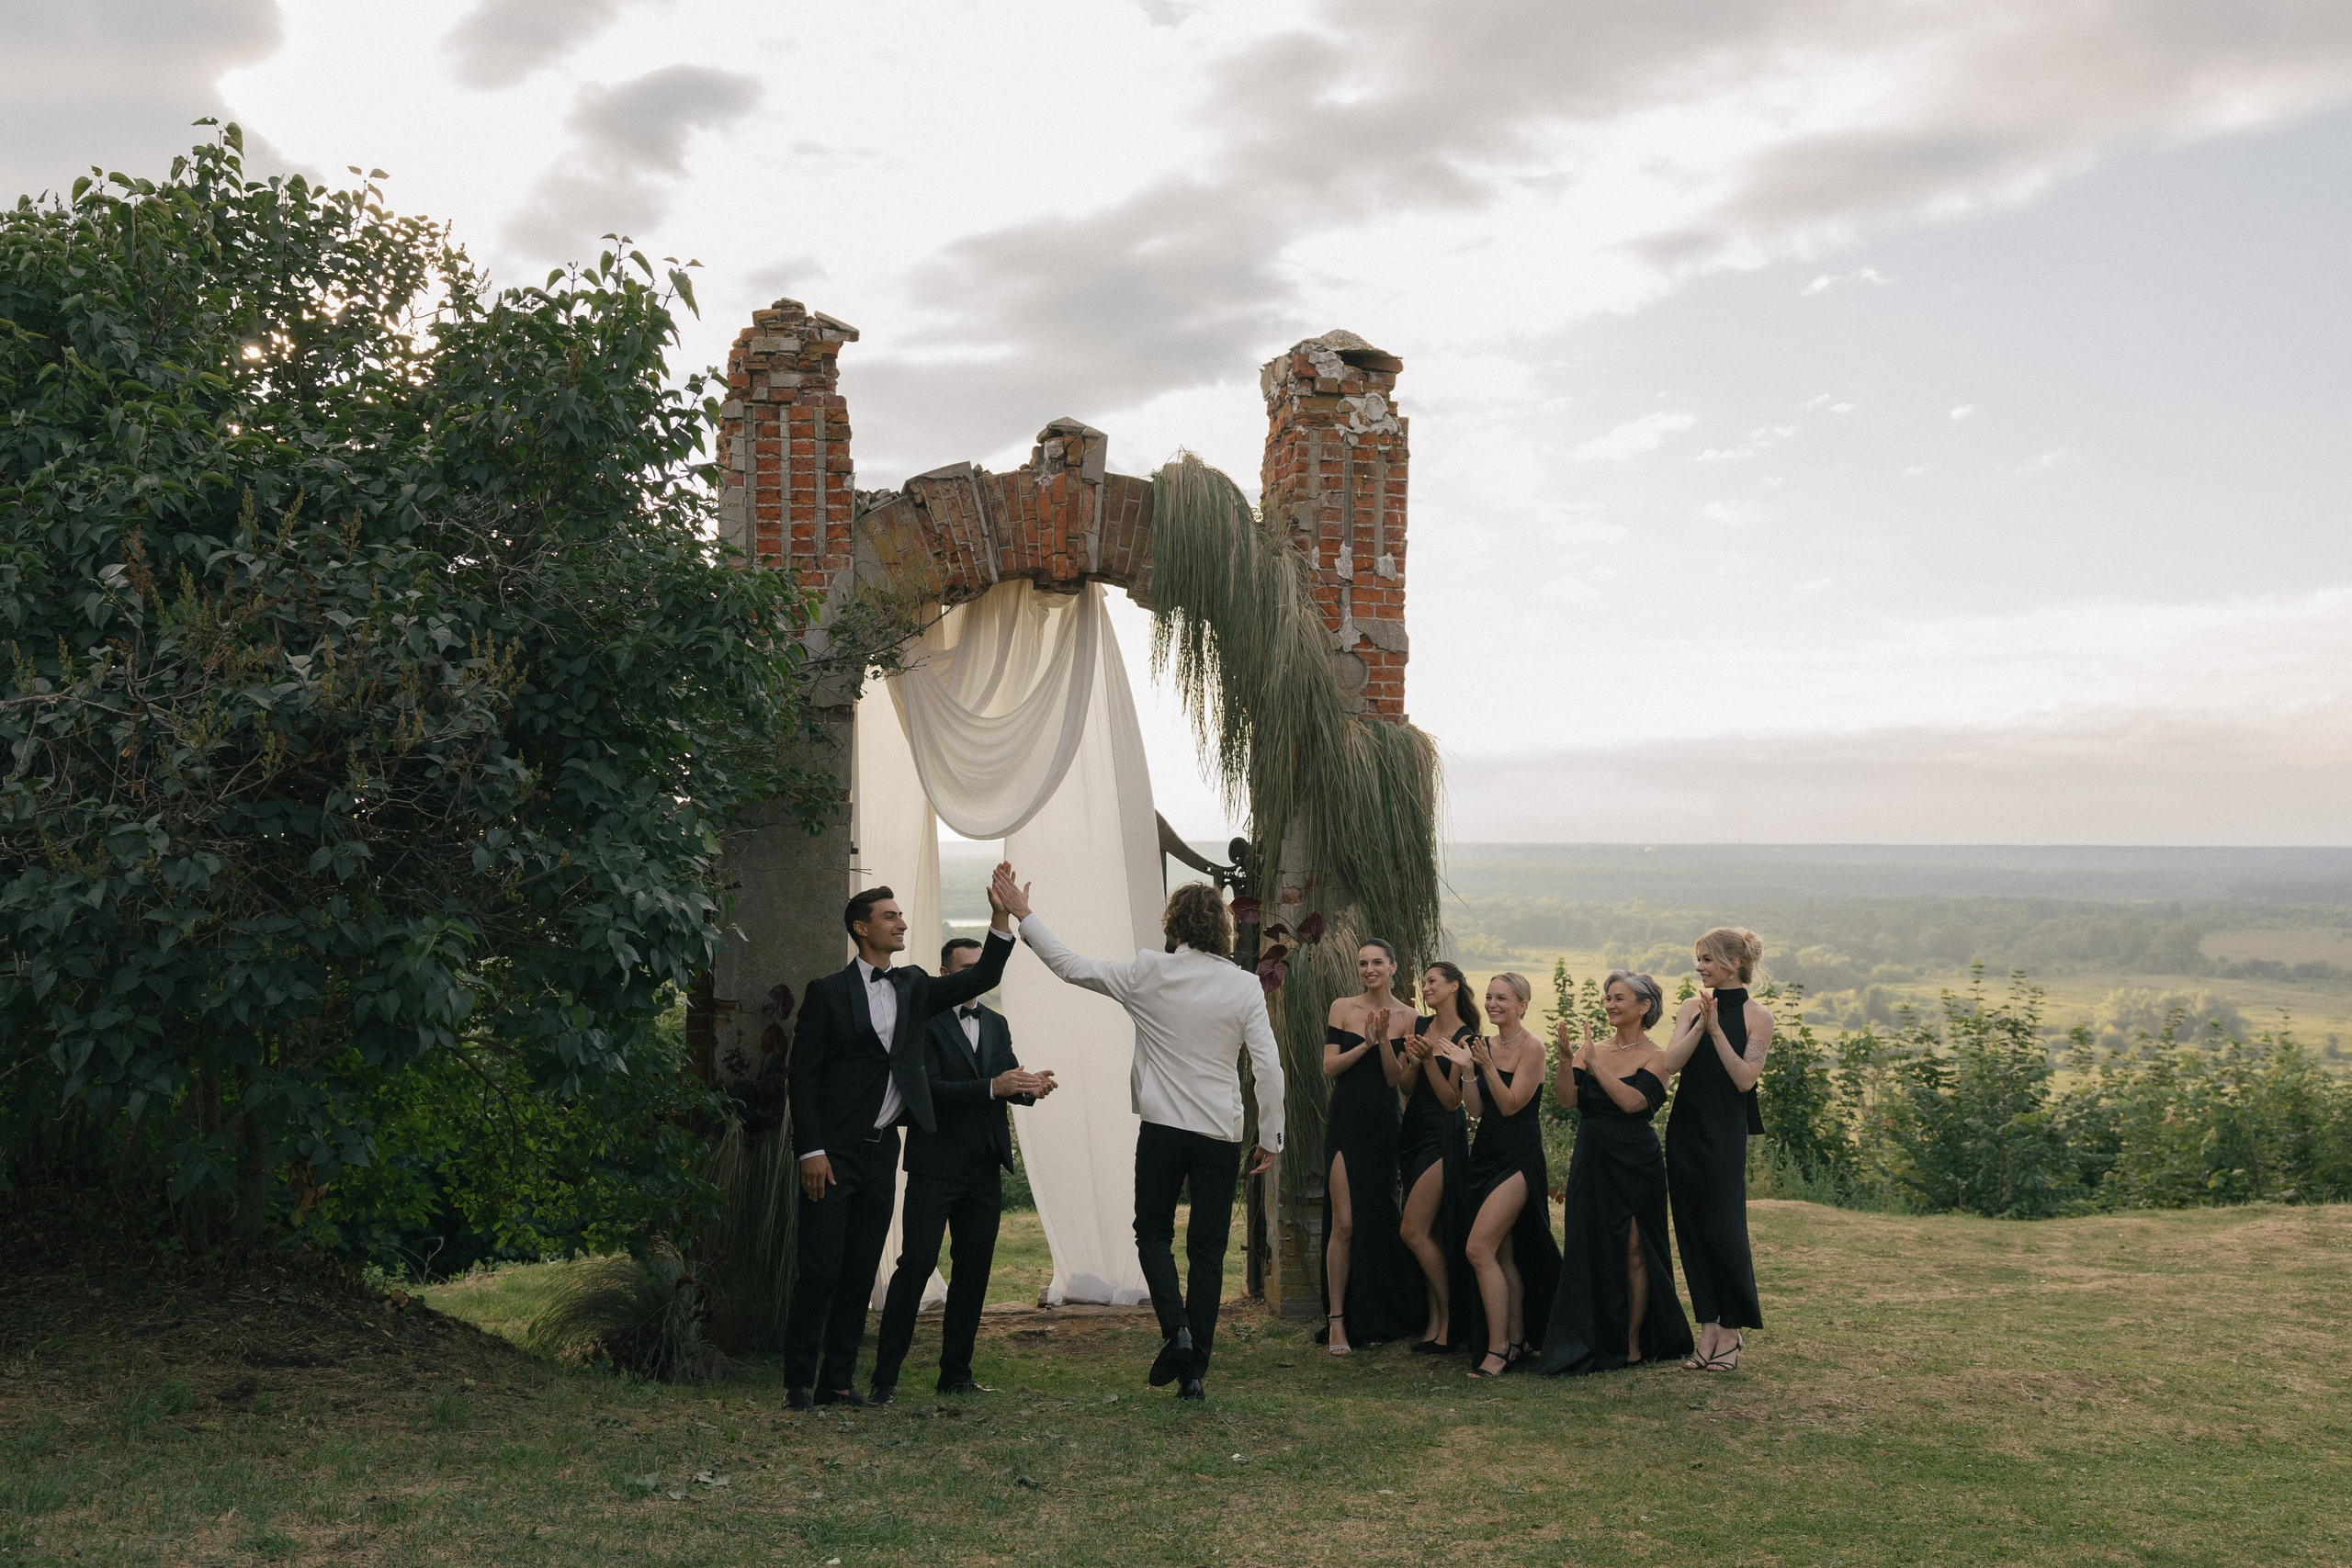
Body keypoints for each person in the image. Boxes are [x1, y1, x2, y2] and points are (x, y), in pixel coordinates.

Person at [990, 867, 1283, 1403]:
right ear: (1223, 930)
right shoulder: (1244, 985)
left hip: (1163, 1130)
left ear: (1173, 925)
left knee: (1151, 1234)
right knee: (1209, 1253)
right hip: (1220, 1132)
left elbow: (1070, 966)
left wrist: (1023, 915)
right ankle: (1194, 1374)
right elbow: (1268, 1066)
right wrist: (1272, 1135)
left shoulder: (1148, 972)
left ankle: (1177, 1331)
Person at [781, 876, 1017, 1411]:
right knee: (820, 1269)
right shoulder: (826, 992)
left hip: (882, 1151)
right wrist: (810, 1150)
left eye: (901, 916)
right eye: (890, 916)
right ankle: (797, 1383)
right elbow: (804, 1076)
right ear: (862, 929)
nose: (902, 923)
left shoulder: (914, 986)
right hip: (832, 1153)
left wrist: (1000, 919)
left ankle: (838, 1384)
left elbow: (983, 972)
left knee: (862, 1267)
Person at [869, 936, 1059, 1404]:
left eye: (981, 967)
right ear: (944, 973)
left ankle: (955, 1373)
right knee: (915, 1266)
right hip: (934, 1166)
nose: (975, 976)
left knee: (973, 1273)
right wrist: (993, 1087)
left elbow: (1000, 1081)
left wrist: (1027, 1087)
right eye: (966, 968)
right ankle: (883, 1380)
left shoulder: (996, 1023)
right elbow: (929, 1091)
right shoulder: (924, 1020)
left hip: (983, 1169)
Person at [1538, 971, 1692, 1376]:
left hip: (1635, 1161)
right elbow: (1568, 1100)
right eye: (1607, 998)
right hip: (1592, 1157)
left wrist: (1596, 1062)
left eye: (1618, 998)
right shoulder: (1592, 1050)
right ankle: (1590, 1336)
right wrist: (1569, 1057)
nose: (1609, 1004)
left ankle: (1633, 1343)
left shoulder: (1656, 1056)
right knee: (1588, 1245)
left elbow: (1632, 1103)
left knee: (1635, 1251)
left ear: (1644, 1006)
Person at [1660, 927, 1773, 1372]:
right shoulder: (1691, 1006)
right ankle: (1707, 1327)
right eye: (1698, 959)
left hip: (1724, 1133)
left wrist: (1716, 1031)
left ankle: (1731, 1329)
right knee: (1689, 1228)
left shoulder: (1757, 1015)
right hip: (1685, 1126)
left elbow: (1746, 1079)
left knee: (1725, 1230)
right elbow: (1669, 1064)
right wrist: (1698, 1025)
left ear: (1733, 965)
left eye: (1707, 959)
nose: (1699, 967)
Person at [1318, 939, 1424, 1354]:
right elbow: (1330, 1067)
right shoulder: (1342, 1007)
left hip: (1383, 1125)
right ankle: (1337, 1322)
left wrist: (1383, 1041)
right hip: (1344, 1123)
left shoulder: (1412, 1017)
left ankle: (1379, 1313)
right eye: (1362, 963)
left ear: (1393, 967)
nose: (1369, 969)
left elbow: (1396, 1082)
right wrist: (1364, 1041)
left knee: (1381, 1215)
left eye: (1377, 962)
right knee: (1343, 1222)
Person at [1454, 973, 1561, 1378]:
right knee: (1501, 1253)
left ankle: (1496, 1349)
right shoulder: (1485, 1046)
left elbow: (1513, 1104)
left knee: (1478, 1249)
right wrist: (1468, 1070)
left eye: (1503, 998)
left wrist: (1486, 1066)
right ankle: (1517, 1340)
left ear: (1522, 1005)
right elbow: (1478, 1110)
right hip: (1485, 1153)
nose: (1493, 1003)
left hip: (1518, 1157)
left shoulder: (1533, 1048)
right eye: (1489, 997)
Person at [1395, 961, 1477, 1352]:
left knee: (1412, 1231)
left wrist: (1429, 1059)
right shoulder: (1421, 1026)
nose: (1425, 988)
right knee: (1431, 1233)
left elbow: (1450, 1101)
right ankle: (1434, 1323)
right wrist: (1411, 1059)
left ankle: (1451, 1321)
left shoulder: (1466, 1038)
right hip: (1412, 1131)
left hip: (1443, 1136)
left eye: (1432, 982)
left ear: (1453, 987)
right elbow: (1406, 1086)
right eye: (1424, 982)